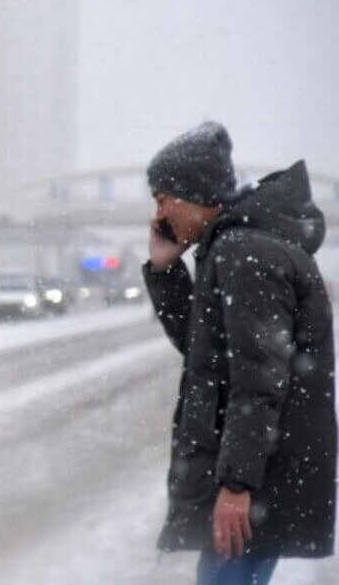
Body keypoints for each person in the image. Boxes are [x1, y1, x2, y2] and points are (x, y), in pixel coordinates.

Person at [143, 121, 336, 585]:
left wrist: (237, 485)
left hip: (257, 482)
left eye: (164, 197)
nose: (159, 211)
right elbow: (203, 350)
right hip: (260, 476)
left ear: (196, 194)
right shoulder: (238, 245)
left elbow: (257, 380)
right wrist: (165, 270)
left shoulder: (244, 251)